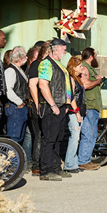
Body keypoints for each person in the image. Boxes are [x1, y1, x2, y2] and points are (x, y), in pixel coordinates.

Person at [38, 38, 74, 181]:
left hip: (61, 106)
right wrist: (53, 105)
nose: (65, 52)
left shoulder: (60, 65)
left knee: (58, 139)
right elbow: (43, 85)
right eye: (63, 49)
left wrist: (67, 104)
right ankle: (45, 171)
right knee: (49, 139)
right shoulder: (46, 63)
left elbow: (66, 86)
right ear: (56, 48)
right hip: (51, 107)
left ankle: (56, 167)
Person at [77, 47, 104, 171]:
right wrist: (98, 81)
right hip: (89, 105)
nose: (96, 58)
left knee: (92, 134)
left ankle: (86, 160)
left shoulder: (89, 68)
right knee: (88, 134)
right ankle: (83, 161)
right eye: (95, 56)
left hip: (93, 106)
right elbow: (85, 84)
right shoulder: (84, 67)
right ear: (91, 56)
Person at [27, 41, 48, 176]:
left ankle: (41, 163)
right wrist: (36, 104)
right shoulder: (37, 64)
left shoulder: (43, 64)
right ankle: (36, 165)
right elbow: (32, 85)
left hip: (42, 104)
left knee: (42, 135)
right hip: (38, 104)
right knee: (38, 136)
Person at [4, 47, 30, 153]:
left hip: (20, 107)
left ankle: (16, 160)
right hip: (15, 107)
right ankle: (10, 160)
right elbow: (8, 90)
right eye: (25, 55)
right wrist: (20, 102)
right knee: (14, 138)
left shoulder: (19, 70)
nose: (27, 57)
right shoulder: (10, 70)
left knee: (19, 137)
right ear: (19, 57)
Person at [64, 56, 87, 174]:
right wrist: (77, 112)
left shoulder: (77, 79)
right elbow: (71, 97)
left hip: (79, 112)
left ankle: (74, 163)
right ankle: (69, 164)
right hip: (73, 112)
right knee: (74, 137)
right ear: (73, 67)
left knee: (76, 137)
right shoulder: (71, 79)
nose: (82, 68)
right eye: (80, 66)